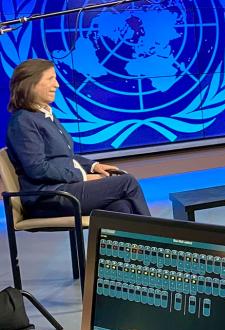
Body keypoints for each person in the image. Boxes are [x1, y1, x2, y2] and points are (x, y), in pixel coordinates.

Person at [5, 59, 150, 218]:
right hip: (46, 198)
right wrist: (82, 176)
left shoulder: (44, 115)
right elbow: (37, 168)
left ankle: (131, 243)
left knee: (121, 206)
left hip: (61, 190)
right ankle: (156, 238)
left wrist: (94, 166)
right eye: (50, 79)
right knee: (127, 182)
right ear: (31, 84)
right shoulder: (22, 121)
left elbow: (65, 157)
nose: (57, 85)